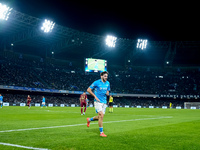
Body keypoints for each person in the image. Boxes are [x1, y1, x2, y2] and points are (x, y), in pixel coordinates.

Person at [86, 71, 110, 137]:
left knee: (100, 117)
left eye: (107, 76)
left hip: (104, 102)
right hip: (97, 101)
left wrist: (107, 93)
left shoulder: (108, 83)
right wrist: (95, 96)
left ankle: (89, 119)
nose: (106, 77)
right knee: (101, 115)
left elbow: (108, 90)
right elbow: (88, 90)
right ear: (101, 76)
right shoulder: (96, 82)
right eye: (105, 76)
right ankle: (101, 132)